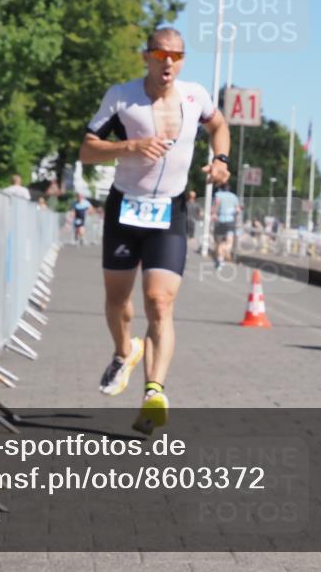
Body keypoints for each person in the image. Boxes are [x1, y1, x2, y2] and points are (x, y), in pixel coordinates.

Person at [79, 27, 230, 435]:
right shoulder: (121, 96)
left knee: (159, 302)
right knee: (118, 303)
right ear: (146, 56)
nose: (168, 63)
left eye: (176, 56)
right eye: (161, 55)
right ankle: (123, 351)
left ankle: (153, 393)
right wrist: (128, 147)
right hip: (125, 209)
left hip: (170, 210)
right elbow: (87, 149)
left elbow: (219, 125)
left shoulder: (195, 96)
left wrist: (221, 160)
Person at [212, 183, 241, 269]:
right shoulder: (234, 197)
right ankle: (223, 255)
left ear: (221, 188)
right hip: (230, 222)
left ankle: (220, 259)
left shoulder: (218, 195)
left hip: (220, 221)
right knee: (229, 242)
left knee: (219, 243)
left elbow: (216, 205)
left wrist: (214, 214)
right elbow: (237, 210)